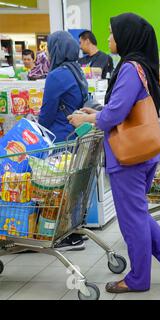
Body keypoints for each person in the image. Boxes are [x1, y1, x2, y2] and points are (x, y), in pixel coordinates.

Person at [68, 13, 160, 294]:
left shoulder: (128, 68)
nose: (110, 38)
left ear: (126, 37)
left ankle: (138, 279)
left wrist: (87, 120)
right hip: (143, 152)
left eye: (112, 33)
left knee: (131, 219)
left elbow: (116, 113)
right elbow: (125, 108)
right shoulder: (143, 66)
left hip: (128, 157)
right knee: (136, 213)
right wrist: (97, 112)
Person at [39, 31, 89, 251]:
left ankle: (64, 234)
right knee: (74, 185)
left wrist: (36, 129)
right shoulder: (76, 70)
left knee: (58, 187)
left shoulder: (57, 74)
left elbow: (47, 112)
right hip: (75, 134)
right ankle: (76, 229)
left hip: (59, 137)